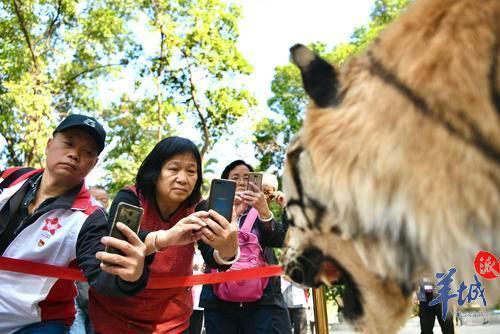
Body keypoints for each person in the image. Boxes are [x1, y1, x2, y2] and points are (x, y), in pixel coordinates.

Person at [0, 114, 148, 334]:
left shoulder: (90, 217)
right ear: (50, 145)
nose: (74, 154)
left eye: (87, 152)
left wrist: (132, 276)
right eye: (68, 143)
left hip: (35, 323)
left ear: (94, 164)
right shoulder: (12, 177)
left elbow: (103, 274)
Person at [89, 136, 239, 333]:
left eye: (191, 171)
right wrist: (166, 237)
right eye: (173, 169)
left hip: (173, 323)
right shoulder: (130, 198)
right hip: (115, 319)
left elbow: (214, 257)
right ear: (156, 171)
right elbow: (119, 244)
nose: (182, 178)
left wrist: (228, 249)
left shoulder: (199, 208)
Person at [200, 160, 291, 334]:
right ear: (225, 182)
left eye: (246, 177)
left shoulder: (260, 211)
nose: (241, 182)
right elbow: (206, 249)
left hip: (261, 302)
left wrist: (266, 211)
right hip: (219, 303)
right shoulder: (212, 211)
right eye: (235, 177)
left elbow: (282, 239)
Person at [70, 185, 110, 334]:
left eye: (103, 199)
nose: (99, 202)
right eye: (95, 198)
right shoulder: (77, 221)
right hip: (74, 295)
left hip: (99, 299)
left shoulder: (113, 226)